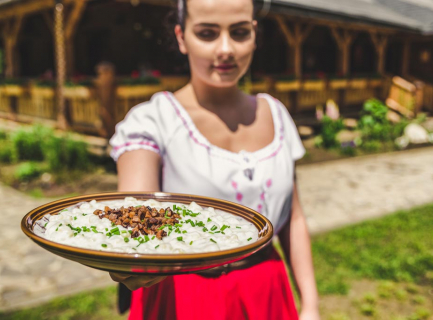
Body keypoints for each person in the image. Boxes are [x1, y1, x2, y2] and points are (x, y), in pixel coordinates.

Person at [109, 0, 320, 319]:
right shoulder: (153, 121)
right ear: (182, 37)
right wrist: (135, 255)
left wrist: (311, 305)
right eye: (207, 33)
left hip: (266, 289)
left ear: (254, 33)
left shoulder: (276, 115)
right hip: (184, 296)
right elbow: (137, 211)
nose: (226, 49)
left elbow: (294, 218)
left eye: (239, 32)